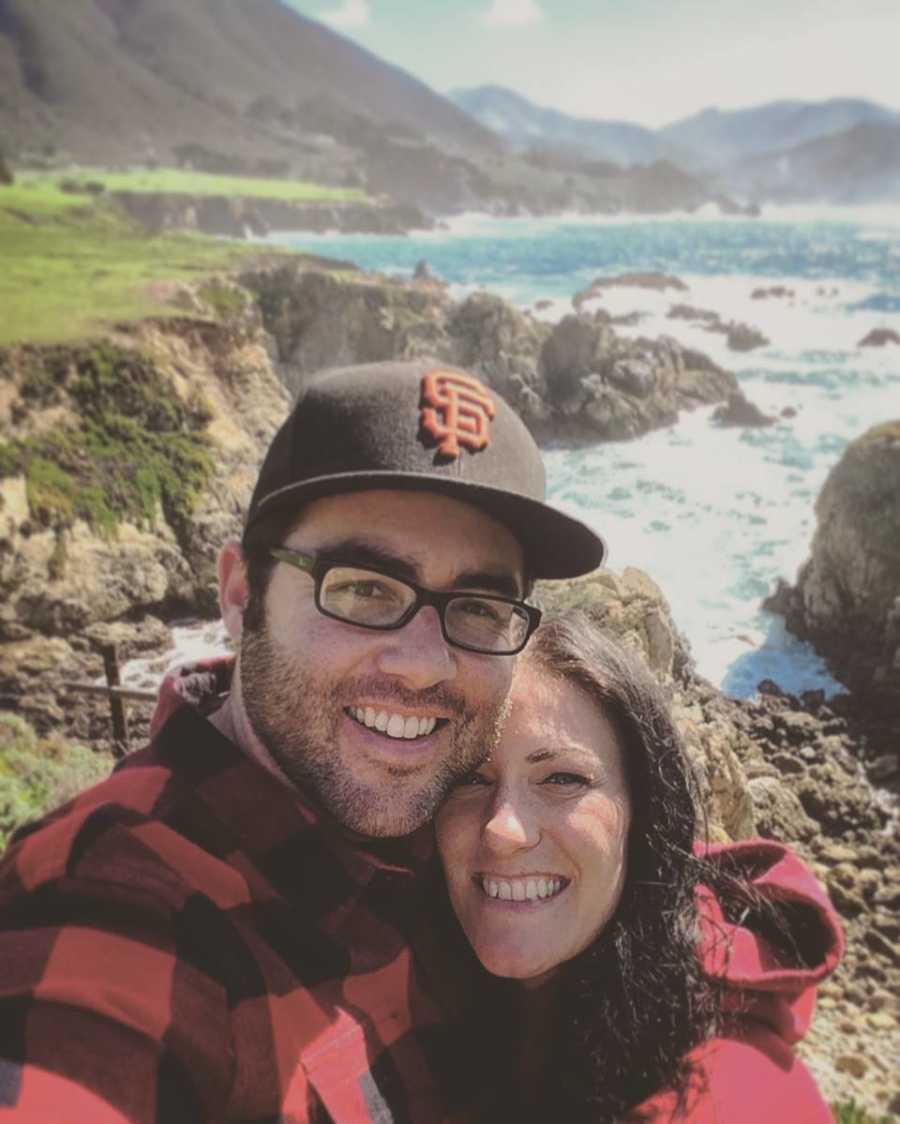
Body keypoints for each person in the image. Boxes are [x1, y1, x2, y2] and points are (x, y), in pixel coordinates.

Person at [0, 360, 606, 1123]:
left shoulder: (464, 814)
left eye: (480, 607)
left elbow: (653, 883)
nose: (424, 666)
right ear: (239, 593)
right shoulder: (108, 907)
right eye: (362, 588)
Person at [429, 610, 844, 1124]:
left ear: (645, 815)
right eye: (470, 778)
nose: (503, 829)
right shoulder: (420, 977)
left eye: (562, 779)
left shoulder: (725, 1098)